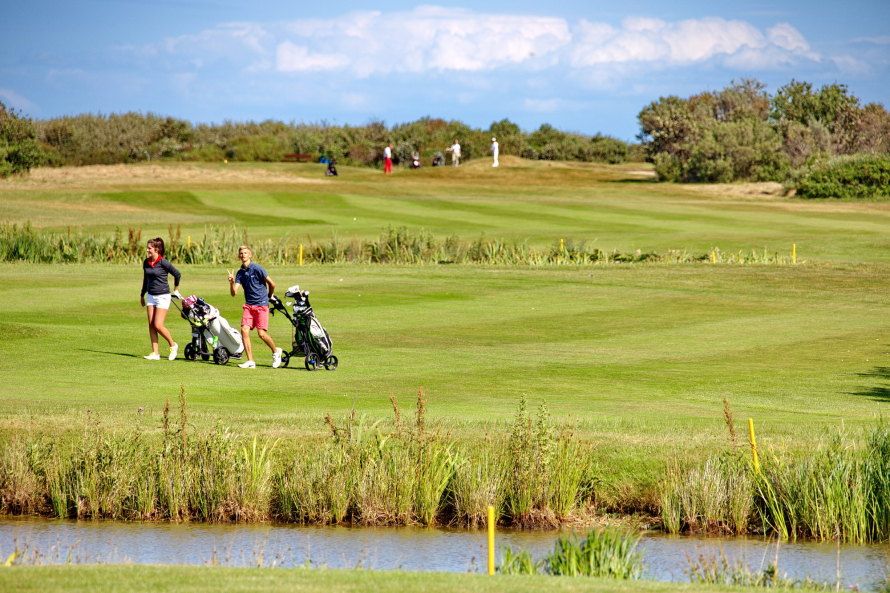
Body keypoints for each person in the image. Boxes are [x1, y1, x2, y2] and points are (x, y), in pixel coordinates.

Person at [227, 246, 283, 369]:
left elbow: (272, 284)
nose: (243, 255)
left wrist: (269, 296)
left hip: (262, 305)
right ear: (239, 256)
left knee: (261, 333)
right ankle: (251, 361)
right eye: (241, 253)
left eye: (245, 253)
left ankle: (275, 352)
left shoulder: (257, 269)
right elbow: (233, 293)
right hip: (249, 306)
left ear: (250, 255)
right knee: (244, 330)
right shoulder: (240, 273)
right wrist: (231, 283)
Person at [140, 237, 181, 361]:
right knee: (151, 325)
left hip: (163, 296)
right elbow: (145, 279)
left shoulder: (163, 262)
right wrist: (142, 294)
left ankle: (173, 345)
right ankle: (155, 353)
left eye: (149, 248)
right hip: (151, 296)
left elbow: (177, 274)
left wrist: (176, 289)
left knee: (158, 325)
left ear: (156, 249)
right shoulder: (146, 262)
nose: (147, 250)